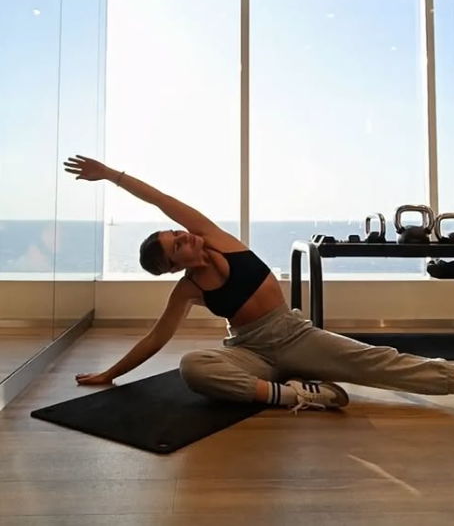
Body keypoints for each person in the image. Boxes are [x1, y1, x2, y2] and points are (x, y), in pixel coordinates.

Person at [64, 155, 454, 413]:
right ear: (171, 267)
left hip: (295, 336)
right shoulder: (186, 290)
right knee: (193, 367)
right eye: (176, 245)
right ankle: (296, 395)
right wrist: (110, 373)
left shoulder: (213, 237)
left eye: (176, 232)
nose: (184, 236)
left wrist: (111, 175)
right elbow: (155, 339)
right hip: (251, 353)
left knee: (382, 362)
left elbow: (160, 199)